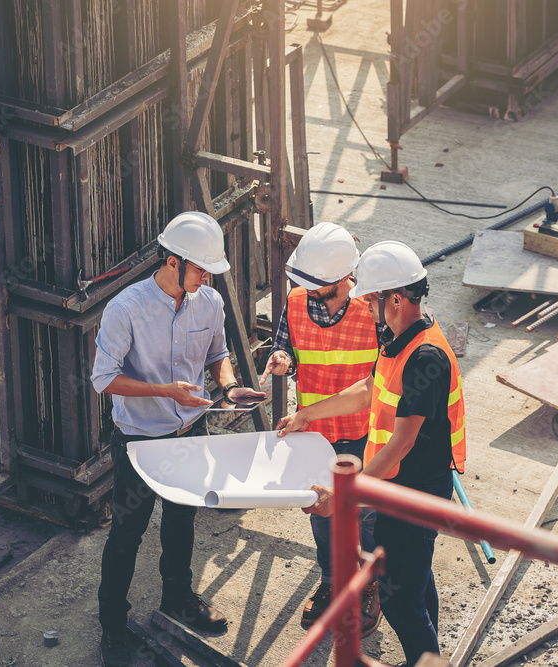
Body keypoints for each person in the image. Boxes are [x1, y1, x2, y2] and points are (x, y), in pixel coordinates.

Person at [275, 240, 466, 666]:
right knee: (416, 583)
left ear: (394, 299)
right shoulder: (399, 338)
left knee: (401, 603)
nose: (368, 306)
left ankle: (425, 660)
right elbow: (367, 390)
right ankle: (428, 658)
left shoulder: (425, 357)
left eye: (373, 299)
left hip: (415, 493)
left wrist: (345, 495)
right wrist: (308, 414)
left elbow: (401, 443)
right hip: (401, 486)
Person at [90, 211, 265, 667]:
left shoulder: (208, 303)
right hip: (139, 441)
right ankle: (112, 623)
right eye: (201, 268)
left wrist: (227, 385)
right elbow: (103, 379)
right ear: (172, 261)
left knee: (182, 520)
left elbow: (218, 355)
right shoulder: (125, 309)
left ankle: (178, 597)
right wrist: (163, 391)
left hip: (190, 431)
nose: (207, 277)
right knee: (127, 532)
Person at [259, 222, 385, 635]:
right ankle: (332, 580)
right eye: (307, 283)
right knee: (320, 511)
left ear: (344, 276)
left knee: (365, 515)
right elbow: (287, 346)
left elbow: (377, 385)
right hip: (315, 433)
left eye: (320, 285)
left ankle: (366, 586)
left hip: (364, 431)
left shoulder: (374, 309)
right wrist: (282, 360)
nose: (311, 291)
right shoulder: (296, 301)